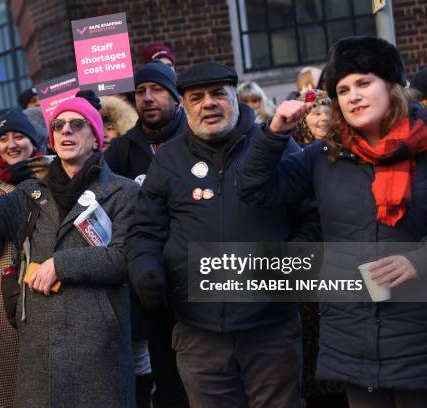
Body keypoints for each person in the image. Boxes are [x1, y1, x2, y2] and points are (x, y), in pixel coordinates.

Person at [238, 36, 427, 407]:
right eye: (343, 89)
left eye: (364, 83)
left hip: (424, 339)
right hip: (353, 340)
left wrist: (424, 259)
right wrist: (275, 133)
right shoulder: (323, 156)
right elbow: (254, 190)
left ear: (392, 86)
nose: (353, 96)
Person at [127, 61, 307, 407]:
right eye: (196, 97)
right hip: (199, 334)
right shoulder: (168, 162)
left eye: (217, 94)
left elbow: (309, 216)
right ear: (184, 106)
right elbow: (145, 231)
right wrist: (146, 269)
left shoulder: (277, 147)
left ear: (235, 99)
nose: (208, 103)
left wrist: (292, 265)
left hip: (270, 330)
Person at [0, 97, 138, 407]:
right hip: (40, 345)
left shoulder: (125, 192)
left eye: (77, 125)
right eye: (58, 126)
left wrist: (60, 265)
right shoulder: (31, 194)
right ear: (51, 138)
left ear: (96, 137)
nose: (66, 131)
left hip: (98, 346)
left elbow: (125, 258)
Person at [105, 60, 190, 408]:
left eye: (157, 90)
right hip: (149, 277)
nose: (148, 98)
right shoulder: (123, 149)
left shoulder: (194, 137)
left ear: (175, 97)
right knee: (165, 371)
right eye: (140, 91)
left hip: (196, 270)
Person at [0, 108, 49, 408]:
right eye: (4, 139)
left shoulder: (53, 180)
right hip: (3, 297)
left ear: (34, 141)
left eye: (20, 136)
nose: (11, 144)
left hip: (44, 287)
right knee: (7, 386)